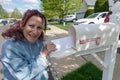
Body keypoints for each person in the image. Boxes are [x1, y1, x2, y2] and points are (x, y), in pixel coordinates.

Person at [0, 9, 56, 80]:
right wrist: (44, 54)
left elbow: (45, 64)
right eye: (31, 26)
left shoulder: (39, 42)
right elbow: (23, 76)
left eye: (39, 27)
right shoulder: (9, 47)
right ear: (22, 25)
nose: (35, 32)